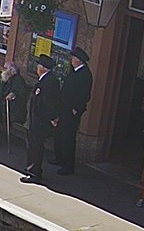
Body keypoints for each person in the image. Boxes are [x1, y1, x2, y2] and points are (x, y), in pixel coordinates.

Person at [22, 55, 62, 184]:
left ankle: (34, 173)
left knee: (36, 147)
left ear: (43, 68)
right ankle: (31, 168)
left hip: (39, 122)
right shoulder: (44, 80)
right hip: (34, 120)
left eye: (39, 65)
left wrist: (52, 117)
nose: (37, 68)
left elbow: (49, 103)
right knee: (31, 146)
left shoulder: (50, 82)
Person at [53, 47, 93, 175]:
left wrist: (76, 109)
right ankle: (59, 158)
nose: (72, 60)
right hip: (64, 107)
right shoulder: (73, 71)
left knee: (68, 137)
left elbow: (84, 95)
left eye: (74, 58)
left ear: (79, 60)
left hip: (72, 110)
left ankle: (68, 165)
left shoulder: (85, 74)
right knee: (60, 134)